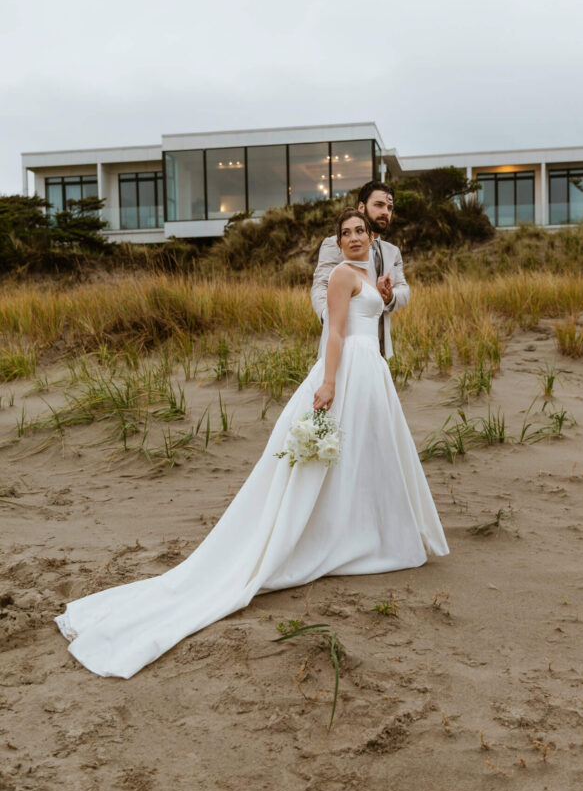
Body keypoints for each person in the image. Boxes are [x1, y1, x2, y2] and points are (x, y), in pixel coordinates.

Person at [55, 208, 449, 679]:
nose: (354, 239)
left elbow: (371, 319)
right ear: (338, 243)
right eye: (345, 234)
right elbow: (336, 331)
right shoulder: (343, 275)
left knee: (366, 459)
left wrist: (383, 296)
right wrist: (328, 383)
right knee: (328, 461)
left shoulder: (371, 275)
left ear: (371, 235)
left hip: (372, 378)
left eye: (360, 231)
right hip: (347, 373)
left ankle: (361, 532)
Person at [311, 181, 408, 358]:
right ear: (361, 207)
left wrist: (390, 296)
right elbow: (321, 286)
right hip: (344, 344)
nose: (385, 212)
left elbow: (404, 289)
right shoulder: (335, 244)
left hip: (379, 348)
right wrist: (330, 318)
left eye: (389, 207)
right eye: (379, 205)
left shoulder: (392, 252)